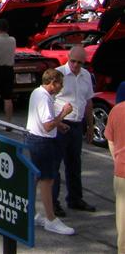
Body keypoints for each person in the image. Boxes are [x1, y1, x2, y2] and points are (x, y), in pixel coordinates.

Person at [26, 69, 76, 236]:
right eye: (60, 84)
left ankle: (31, 213)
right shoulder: (45, 98)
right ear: (53, 83)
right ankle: (51, 219)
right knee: (47, 180)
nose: (61, 88)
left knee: (34, 178)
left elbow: (42, 120)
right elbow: (47, 126)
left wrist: (59, 125)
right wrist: (63, 114)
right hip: (42, 142)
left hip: (33, 138)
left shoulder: (36, 92)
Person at [52, 46, 96, 215]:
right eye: (73, 61)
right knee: (55, 165)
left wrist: (90, 126)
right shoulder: (58, 74)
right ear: (68, 58)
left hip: (77, 125)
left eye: (80, 62)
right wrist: (55, 122)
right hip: (61, 124)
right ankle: (53, 203)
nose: (76, 65)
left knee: (74, 163)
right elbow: (48, 99)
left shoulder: (86, 76)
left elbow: (89, 102)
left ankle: (75, 199)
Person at [104, 91, 125, 253]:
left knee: (122, 219)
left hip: (121, 170)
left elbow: (110, 140)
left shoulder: (116, 110)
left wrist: (116, 159)